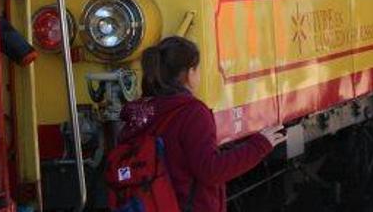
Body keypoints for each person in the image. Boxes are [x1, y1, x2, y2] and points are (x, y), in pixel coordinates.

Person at [119, 36, 285, 211]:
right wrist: (260, 144)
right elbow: (211, 170)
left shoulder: (138, 114)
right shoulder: (191, 112)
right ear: (190, 73)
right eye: (197, 69)